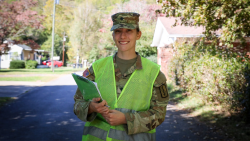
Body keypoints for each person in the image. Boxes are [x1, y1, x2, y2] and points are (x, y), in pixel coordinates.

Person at [73, 12, 169, 141]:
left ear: (138, 34)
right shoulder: (97, 68)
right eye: (118, 31)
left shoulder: (154, 73)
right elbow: (78, 104)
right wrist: (90, 107)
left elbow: (159, 115)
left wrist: (125, 119)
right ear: (113, 35)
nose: (123, 36)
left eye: (129, 30)